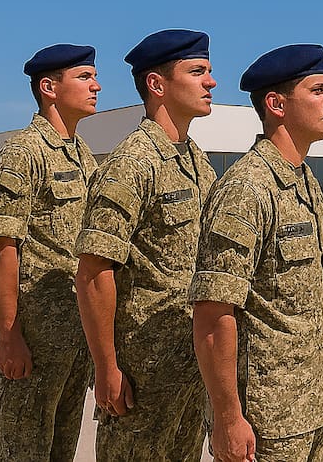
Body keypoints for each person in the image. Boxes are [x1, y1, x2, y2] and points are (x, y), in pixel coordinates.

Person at [191, 44, 323, 462]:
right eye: (318, 90)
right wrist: (227, 417)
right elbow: (212, 312)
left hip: (313, 412)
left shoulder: (305, 183)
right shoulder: (247, 189)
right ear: (276, 104)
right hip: (266, 426)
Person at [74, 29, 217, 460]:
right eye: (198, 72)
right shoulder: (132, 163)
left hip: (191, 366)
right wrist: (106, 367)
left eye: (209, 71)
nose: (211, 82)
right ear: (157, 85)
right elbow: (93, 273)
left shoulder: (197, 161)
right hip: (144, 371)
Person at [0, 44, 100, 461]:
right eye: (84, 77)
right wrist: (10, 336)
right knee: (21, 452)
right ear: (49, 87)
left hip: (74, 339)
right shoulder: (22, 154)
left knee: (60, 452)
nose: (96, 86)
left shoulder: (83, 156)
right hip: (32, 339)